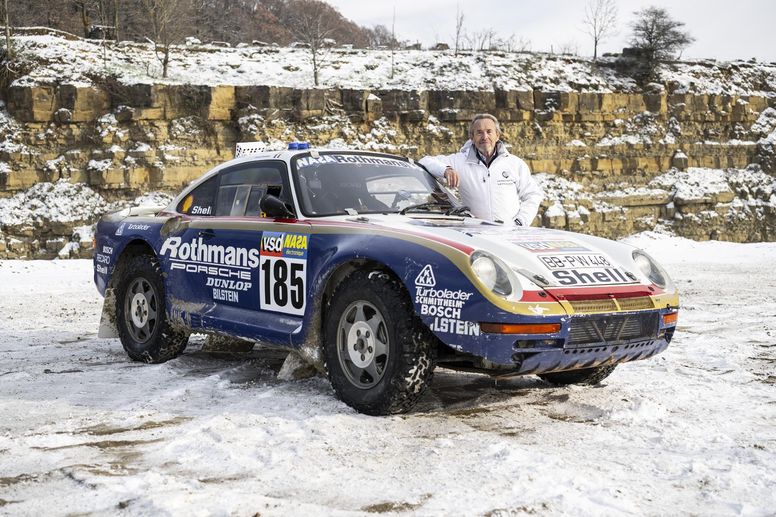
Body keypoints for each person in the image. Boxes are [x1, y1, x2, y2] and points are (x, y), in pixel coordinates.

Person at [419, 113, 543, 226]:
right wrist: (446, 170)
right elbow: (424, 161)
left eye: (489, 132)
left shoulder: (514, 163)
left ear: (497, 135)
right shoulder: (459, 161)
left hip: (511, 234)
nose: (485, 137)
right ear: (472, 137)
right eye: (479, 132)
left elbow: (533, 195)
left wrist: (520, 221)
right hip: (476, 235)